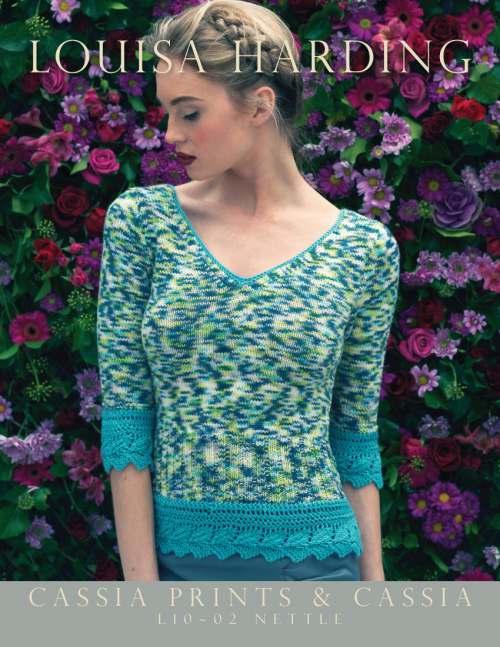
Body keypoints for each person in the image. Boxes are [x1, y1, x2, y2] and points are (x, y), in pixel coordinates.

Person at [96, 0, 400, 582]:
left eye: (189, 113)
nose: (170, 135)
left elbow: (355, 436)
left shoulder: (363, 249)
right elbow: (127, 418)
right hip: (179, 568)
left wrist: (376, 597)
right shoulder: (142, 223)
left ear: (260, 105)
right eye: (166, 113)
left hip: (320, 569)